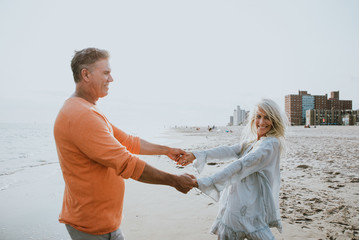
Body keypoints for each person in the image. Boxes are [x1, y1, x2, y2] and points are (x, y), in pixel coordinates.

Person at [53, 47, 197, 240]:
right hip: (91, 228)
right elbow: (127, 163)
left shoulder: (87, 109)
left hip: (105, 224)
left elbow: (129, 142)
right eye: (106, 73)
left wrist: (166, 150)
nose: (111, 79)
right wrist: (174, 180)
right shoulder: (80, 115)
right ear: (85, 75)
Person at [179, 99, 288, 240]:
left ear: (274, 120)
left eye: (267, 117)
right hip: (233, 209)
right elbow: (228, 150)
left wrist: (205, 182)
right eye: (259, 116)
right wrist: (196, 154)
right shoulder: (253, 142)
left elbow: (241, 165)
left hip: (252, 213)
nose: (261, 122)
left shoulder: (270, 145)